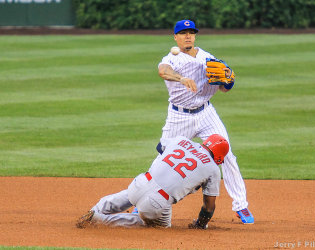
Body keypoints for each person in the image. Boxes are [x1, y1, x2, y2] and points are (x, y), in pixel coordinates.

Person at [156, 19, 254, 224]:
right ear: (175, 37)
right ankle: (145, 200)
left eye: (191, 32)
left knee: (227, 155)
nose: (188, 36)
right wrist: (182, 79)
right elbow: (163, 71)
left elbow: (224, 88)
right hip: (178, 116)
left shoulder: (207, 58)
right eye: (183, 33)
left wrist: (228, 80)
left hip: (206, 114)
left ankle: (241, 205)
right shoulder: (171, 59)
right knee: (164, 159)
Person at [76, 134, 229, 229]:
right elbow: (208, 207)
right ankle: (100, 220)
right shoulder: (213, 169)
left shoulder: (182, 140)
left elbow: (159, 147)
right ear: (219, 157)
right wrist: (200, 225)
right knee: (157, 226)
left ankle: (97, 208)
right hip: (156, 203)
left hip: (141, 181)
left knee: (130, 195)